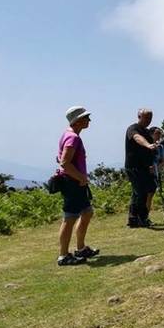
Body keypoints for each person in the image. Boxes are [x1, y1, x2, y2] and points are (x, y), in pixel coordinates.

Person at [55, 106, 99, 265]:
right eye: (86, 117)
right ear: (77, 120)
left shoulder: (68, 135)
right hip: (73, 183)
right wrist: (80, 178)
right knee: (70, 217)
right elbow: (65, 163)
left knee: (87, 212)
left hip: (75, 182)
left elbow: (61, 159)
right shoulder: (73, 137)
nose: (89, 120)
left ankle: (80, 248)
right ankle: (63, 255)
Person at [125, 108, 159, 228]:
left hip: (145, 167)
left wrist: (151, 164)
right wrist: (148, 145)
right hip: (133, 167)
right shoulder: (133, 129)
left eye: (150, 118)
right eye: (146, 118)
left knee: (144, 192)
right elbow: (137, 138)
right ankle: (136, 218)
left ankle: (138, 218)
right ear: (139, 116)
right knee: (139, 192)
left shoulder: (146, 132)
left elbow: (149, 152)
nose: (148, 120)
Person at [146, 127, 164, 213]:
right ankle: (141, 216)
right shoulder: (146, 145)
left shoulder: (161, 147)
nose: (159, 135)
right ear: (151, 134)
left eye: (160, 134)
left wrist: (157, 168)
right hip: (146, 173)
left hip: (156, 173)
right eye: (157, 133)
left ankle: (146, 215)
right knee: (145, 195)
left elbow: (163, 161)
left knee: (151, 194)